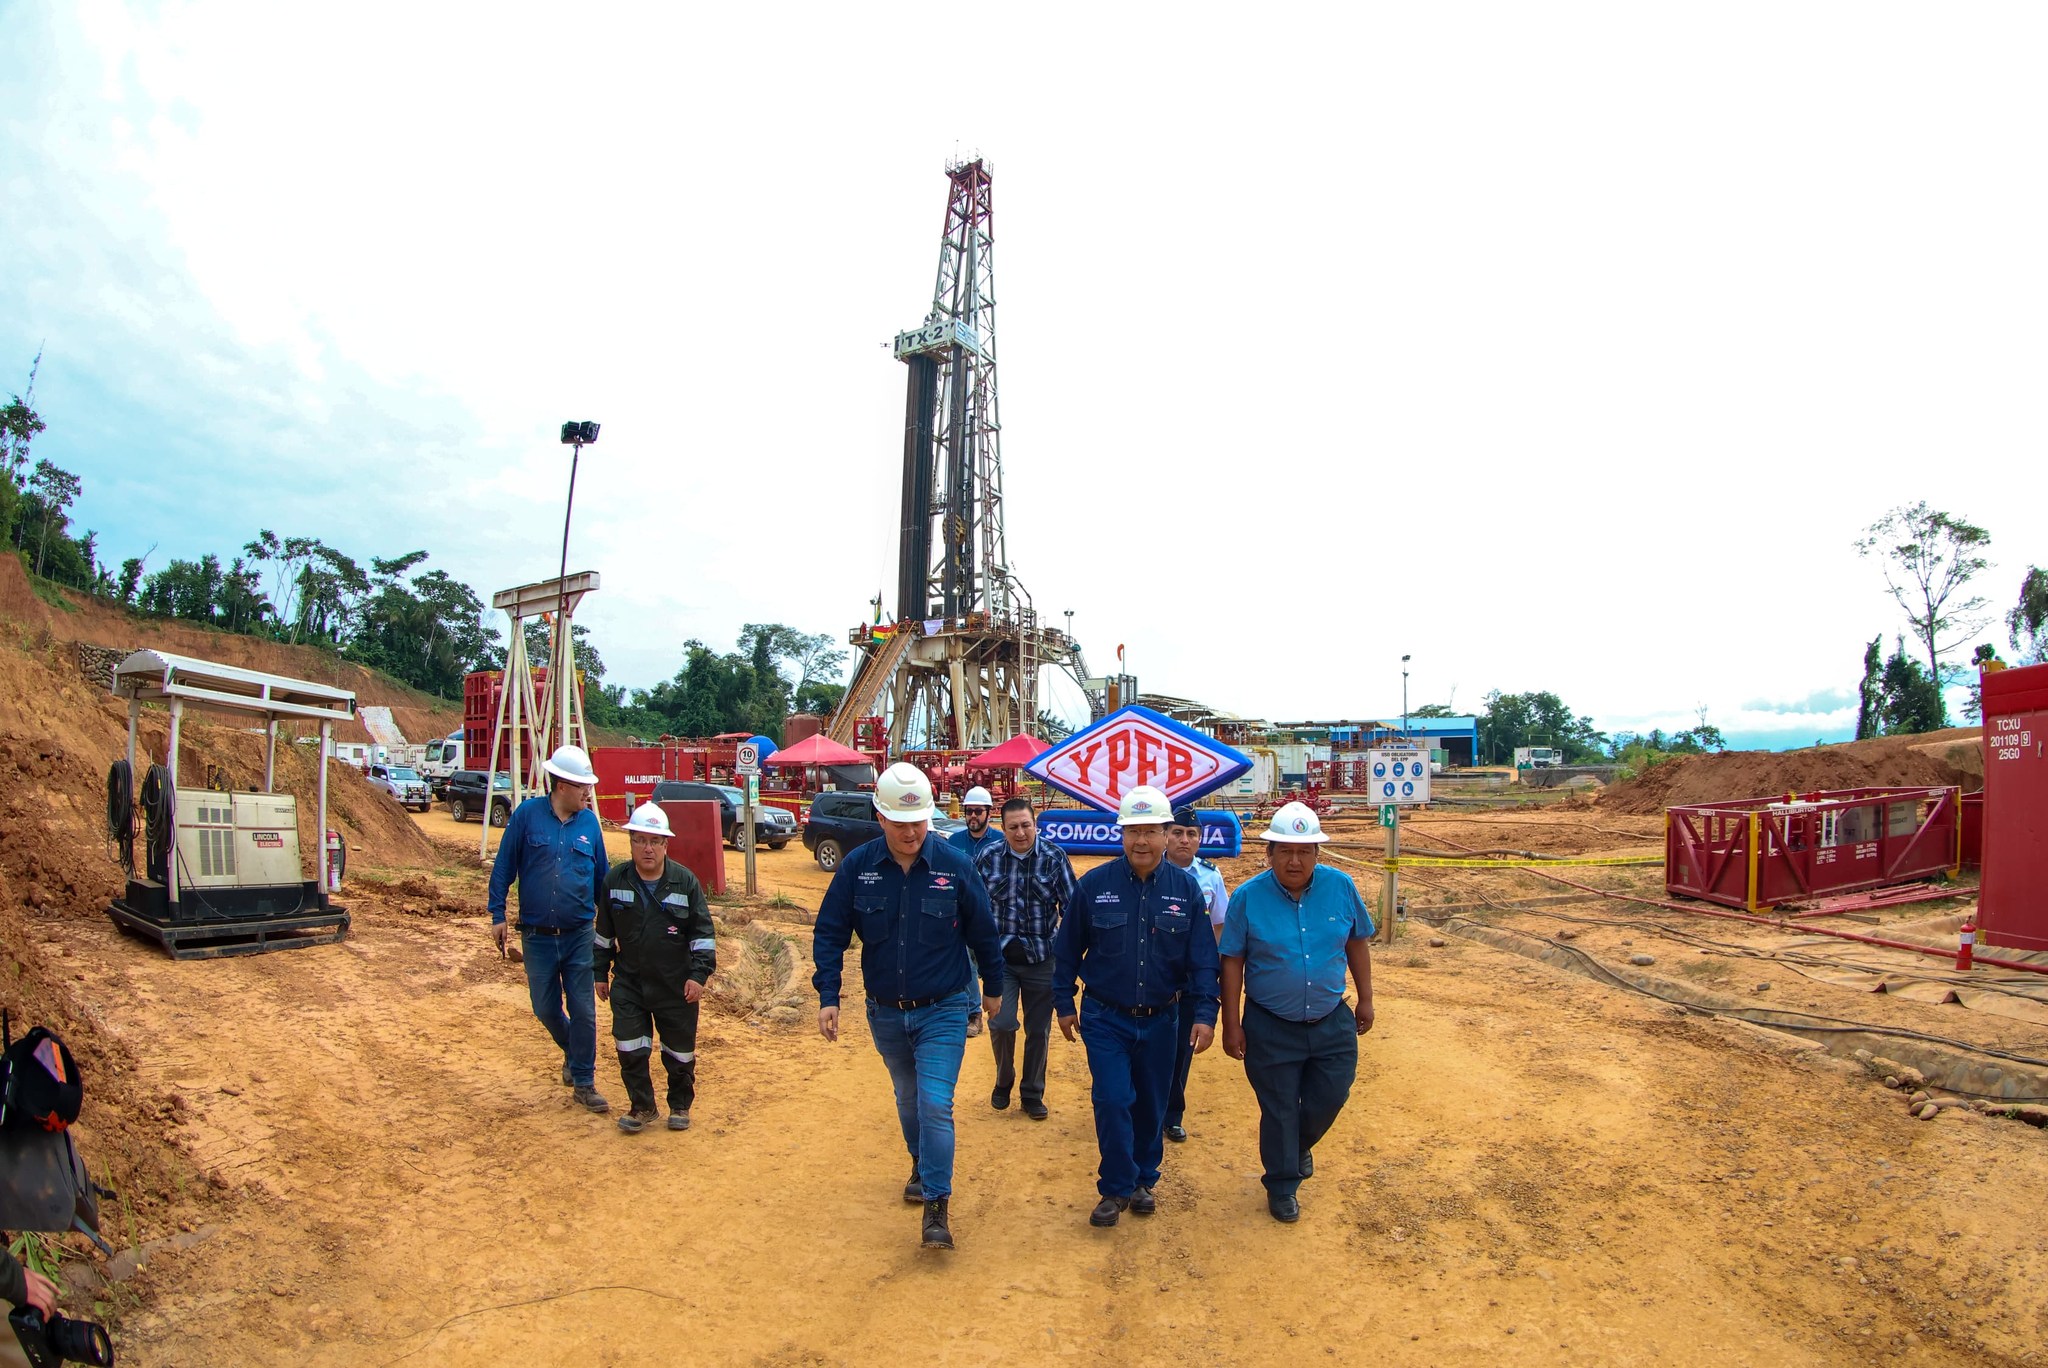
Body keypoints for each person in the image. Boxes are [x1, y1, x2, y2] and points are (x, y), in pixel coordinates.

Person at [813, 762, 1003, 1251]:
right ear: (880, 816)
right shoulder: (858, 868)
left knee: (935, 1103)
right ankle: (921, 1162)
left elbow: (983, 930)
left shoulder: (955, 867)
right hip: (885, 1012)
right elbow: (831, 931)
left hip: (943, 1006)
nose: (910, 831)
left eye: (918, 822)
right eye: (899, 822)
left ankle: (937, 1205)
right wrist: (828, 995)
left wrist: (993, 988)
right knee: (907, 1096)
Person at [1053, 785, 1220, 1228]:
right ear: (1120, 835)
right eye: (1132, 832)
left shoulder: (1186, 890)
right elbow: (1067, 949)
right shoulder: (1093, 886)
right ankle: (1115, 1187)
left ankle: (1145, 1180)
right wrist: (1063, 1000)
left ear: (1168, 834)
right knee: (1111, 1098)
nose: (1141, 841)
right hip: (1105, 1016)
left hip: (1164, 1019)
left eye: (1150, 831)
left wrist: (1205, 1013)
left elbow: (1204, 958)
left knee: (1150, 1103)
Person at [1219, 801, 1376, 1223]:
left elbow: (1356, 942)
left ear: (1317, 854)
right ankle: (1283, 1183)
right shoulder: (1248, 898)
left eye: (1304, 850)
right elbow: (1231, 960)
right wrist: (1230, 1024)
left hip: (1331, 1018)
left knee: (1331, 1095)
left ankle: (1298, 1144)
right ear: (1269, 853)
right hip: (1270, 1025)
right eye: (1285, 850)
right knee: (1279, 1108)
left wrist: (1366, 997)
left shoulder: (1341, 887)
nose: (1294, 859)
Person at [488, 744, 610, 1112]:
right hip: (537, 937)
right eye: (582, 786)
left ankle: (584, 1082)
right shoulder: (527, 817)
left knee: (585, 1010)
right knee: (544, 1008)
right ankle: (574, 1051)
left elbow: (602, 878)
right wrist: (497, 914)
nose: (588, 792)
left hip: (579, 936)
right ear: (561, 786)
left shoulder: (590, 823)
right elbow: (504, 866)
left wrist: (610, 932)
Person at [594, 803, 716, 1135]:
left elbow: (703, 934)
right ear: (631, 842)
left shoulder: (684, 882)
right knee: (630, 1047)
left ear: (666, 845)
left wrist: (698, 975)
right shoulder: (615, 880)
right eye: (640, 840)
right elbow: (604, 931)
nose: (647, 848)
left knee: (679, 1054)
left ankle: (679, 1105)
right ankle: (642, 1106)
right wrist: (599, 973)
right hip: (629, 983)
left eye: (655, 841)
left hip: (675, 986)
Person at [974, 795, 1076, 1120]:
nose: (1021, 833)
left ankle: (1032, 1093)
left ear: (1036, 823)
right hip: (1000, 960)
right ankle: (1004, 1079)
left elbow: (1072, 907)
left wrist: (1065, 951)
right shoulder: (987, 857)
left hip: (1043, 958)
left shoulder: (1054, 857)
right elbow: (973, 907)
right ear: (1002, 828)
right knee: (1002, 1023)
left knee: (1038, 1030)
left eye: (1026, 825)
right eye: (1013, 827)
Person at [1162, 804, 1230, 1143]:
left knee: (1182, 1048)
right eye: (1177, 833)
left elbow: (1219, 926)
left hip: (1192, 976)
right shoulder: (1152, 871)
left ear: (1200, 839)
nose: (1184, 840)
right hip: (1159, 972)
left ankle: (1172, 1114)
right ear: (1166, 836)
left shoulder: (1210, 875)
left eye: (1191, 834)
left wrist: (1208, 968)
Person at [950, 785, 1004, 1038]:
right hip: (962, 915)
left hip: (994, 915)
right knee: (965, 959)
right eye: (968, 811)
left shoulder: (1001, 842)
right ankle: (973, 1012)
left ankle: (1000, 1007)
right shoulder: (954, 842)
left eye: (977, 812)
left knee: (992, 962)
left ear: (989, 813)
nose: (972, 816)